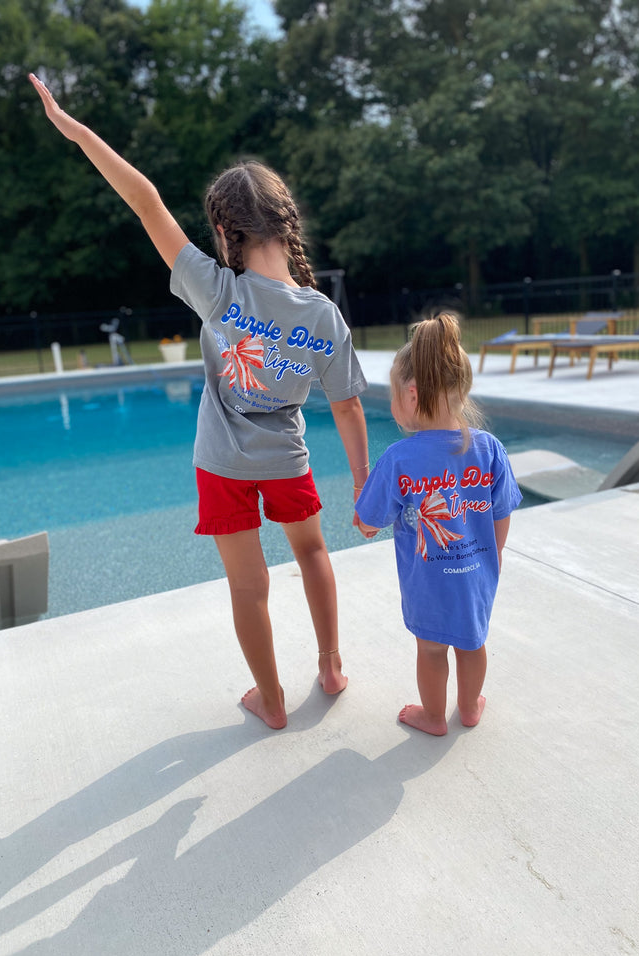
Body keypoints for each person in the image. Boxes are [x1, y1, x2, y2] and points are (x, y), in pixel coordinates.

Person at [29, 73, 370, 730]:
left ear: (222, 228)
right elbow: (349, 407)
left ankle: (271, 700)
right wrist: (361, 482)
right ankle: (331, 667)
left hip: (221, 463)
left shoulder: (217, 290)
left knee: (248, 585)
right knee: (313, 553)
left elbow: (144, 200)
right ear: (287, 221)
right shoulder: (322, 314)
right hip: (287, 457)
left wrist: (74, 130)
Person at [355, 313, 521, 736]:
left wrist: (364, 507)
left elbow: (367, 523)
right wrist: (494, 557)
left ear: (411, 395)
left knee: (430, 650)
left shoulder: (398, 459)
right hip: (477, 575)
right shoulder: (489, 449)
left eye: (393, 395)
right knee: (473, 643)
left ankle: (433, 717)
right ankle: (468, 708)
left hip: (426, 583)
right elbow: (501, 513)